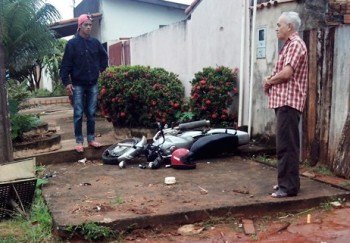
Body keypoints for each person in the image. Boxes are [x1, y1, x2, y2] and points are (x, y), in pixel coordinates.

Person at [263, 12, 308, 198]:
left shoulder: (295, 44)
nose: (276, 28)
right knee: (285, 144)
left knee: (287, 146)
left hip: (289, 102)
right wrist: (271, 79)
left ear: (289, 27)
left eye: (279, 25)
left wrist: (269, 81)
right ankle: (288, 183)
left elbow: (286, 73)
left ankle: (287, 188)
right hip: (284, 102)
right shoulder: (290, 45)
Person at [60, 14, 108, 153]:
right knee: (78, 113)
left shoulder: (95, 43)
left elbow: (104, 57)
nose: (88, 27)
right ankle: (79, 141)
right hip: (78, 84)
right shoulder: (72, 44)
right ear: (80, 26)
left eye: (90, 25)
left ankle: (91, 139)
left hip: (92, 83)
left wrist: (101, 70)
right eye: (86, 25)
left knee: (92, 113)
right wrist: (67, 82)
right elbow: (65, 65)